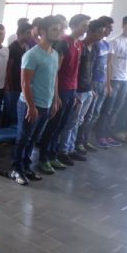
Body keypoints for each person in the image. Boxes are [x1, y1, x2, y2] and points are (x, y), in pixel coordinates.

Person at [10, 16, 61, 185]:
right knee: (23, 138)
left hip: (46, 104)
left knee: (34, 139)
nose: (58, 32)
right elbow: (25, 83)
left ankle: (26, 166)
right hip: (29, 104)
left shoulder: (54, 54)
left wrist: (55, 99)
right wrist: (31, 107)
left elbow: (54, 78)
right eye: (54, 29)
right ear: (43, 32)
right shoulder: (32, 54)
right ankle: (16, 169)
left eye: (59, 29)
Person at [38, 14, 90, 169]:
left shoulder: (79, 44)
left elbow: (76, 69)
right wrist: (56, 95)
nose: (86, 29)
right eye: (84, 25)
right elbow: (56, 71)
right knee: (53, 126)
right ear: (74, 25)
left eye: (87, 26)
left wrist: (75, 92)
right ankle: (43, 158)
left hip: (71, 90)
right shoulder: (63, 43)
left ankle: (53, 155)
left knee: (61, 126)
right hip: (61, 90)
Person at [96, 14, 127, 146]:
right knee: (108, 110)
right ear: (123, 25)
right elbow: (108, 64)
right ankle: (101, 136)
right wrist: (108, 84)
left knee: (116, 110)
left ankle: (108, 135)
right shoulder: (114, 41)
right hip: (114, 80)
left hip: (125, 81)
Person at [72, 20, 107, 159]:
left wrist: (91, 89)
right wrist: (74, 91)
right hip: (78, 89)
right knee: (72, 122)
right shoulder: (80, 46)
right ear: (90, 32)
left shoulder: (96, 48)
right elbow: (75, 71)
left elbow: (91, 70)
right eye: (99, 32)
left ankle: (75, 145)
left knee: (81, 120)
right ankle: (66, 148)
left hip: (87, 89)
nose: (102, 35)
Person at [85, 16, 114, 149]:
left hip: (102, 83)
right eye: (108, 27)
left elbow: (107, 66)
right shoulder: (94, 44)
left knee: (96, 114)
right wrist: (90, 86)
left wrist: (108, 84)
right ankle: (79, 141)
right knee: (88, 114)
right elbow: (89, 67)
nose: (110, 30)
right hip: (94, 83)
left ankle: (85, 140)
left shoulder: (106, 44)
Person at [4, 22, 33, 126]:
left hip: (21, 83)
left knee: (17, 111)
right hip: (12, 84)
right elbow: (8, 69)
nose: (30, 35)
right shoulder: (12, 47)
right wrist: (8, 86)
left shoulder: (26, 47)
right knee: (10, 111)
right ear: (20, 33)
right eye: (28, 33)